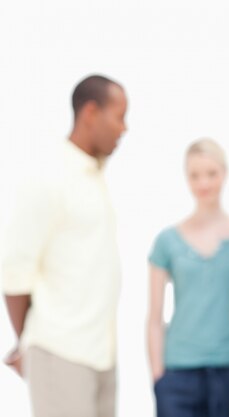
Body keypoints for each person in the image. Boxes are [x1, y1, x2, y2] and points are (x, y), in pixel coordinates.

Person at [2, 74, 128, 417]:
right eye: (119, 116)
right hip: (61, 352)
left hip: (100, 354)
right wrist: (30, 340)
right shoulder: (50, 175)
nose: (124, 128)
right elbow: (15, 273)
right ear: (90, 112)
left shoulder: (92, 175)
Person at [147, 138, 229, 417]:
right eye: (195, 175)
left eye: (211, 174)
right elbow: (154, 318)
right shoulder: (166, 241)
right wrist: (158, 378)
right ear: (186, 178)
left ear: (224, 174)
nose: (204, 183)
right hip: (177, 374)